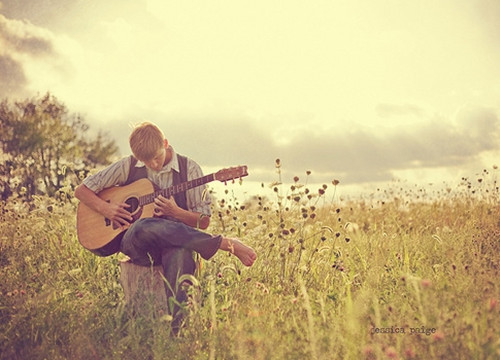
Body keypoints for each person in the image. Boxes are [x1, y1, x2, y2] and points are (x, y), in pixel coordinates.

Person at [74, 121, 256, 332]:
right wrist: (106, 209)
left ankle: (177, 331)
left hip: (175, 244)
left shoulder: (190, 169)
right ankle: (224, 244)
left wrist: (175, 212)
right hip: (137, 243)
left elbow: (203, 221)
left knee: (180, 253)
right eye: (146, 161)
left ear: (166, 144)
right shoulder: (129, 165)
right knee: (143, 226)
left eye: (157, 157)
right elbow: (82, 191)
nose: (153, 164)